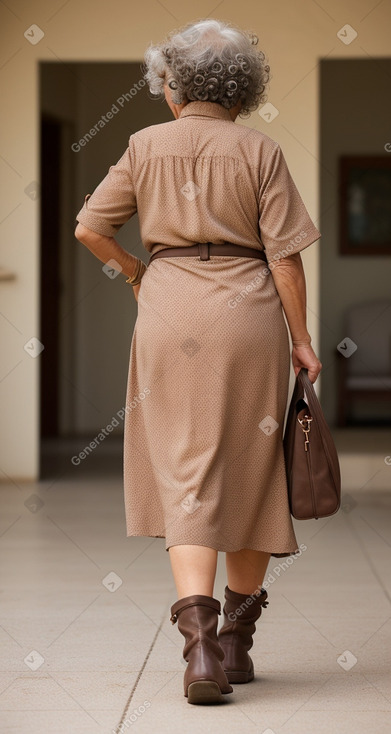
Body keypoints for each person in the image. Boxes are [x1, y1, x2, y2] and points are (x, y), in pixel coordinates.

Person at [74, 18, 322, 706]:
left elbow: (90, 228)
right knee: (250, 469)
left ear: (170, 86)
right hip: (246, 317)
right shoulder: (259, 149)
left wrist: (134, 271)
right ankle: (237, 640)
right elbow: (284, 259)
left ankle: (201, 649)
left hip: (169, 308)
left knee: (185, 468)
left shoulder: (143, 144)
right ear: (242, 92)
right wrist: (301, 341)